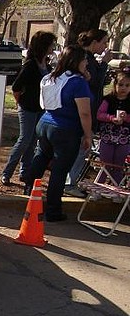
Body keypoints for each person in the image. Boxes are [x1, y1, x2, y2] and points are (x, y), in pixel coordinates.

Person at [24, 45, 93, 222]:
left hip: (45, 123)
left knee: (41, 158)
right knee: (60, 170)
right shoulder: (77, 83)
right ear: (77, 61)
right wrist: (88, 135)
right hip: (66, 129)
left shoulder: (50, 77)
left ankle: (29, 192)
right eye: (85, 59)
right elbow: (84, 113)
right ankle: (53, 211)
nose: (87, 62)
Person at [1, 31, 56, 186]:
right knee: (24, 139)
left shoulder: (48, 65)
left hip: (41, 109)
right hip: (28, 108)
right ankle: (7, 173)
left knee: (33, 141)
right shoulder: (30, 65)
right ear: (43, 45)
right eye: (51, 44)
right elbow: (16, 87)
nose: (53, 47)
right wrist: (20, 102)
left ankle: (25, 172)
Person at [65, 29, 113, 196]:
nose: (106, 46)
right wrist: (105, 63)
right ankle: (69, 183)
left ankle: (70, 181)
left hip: (89, 110)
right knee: (81, 148)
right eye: (104, 42)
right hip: (84, 111)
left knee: (80, 149)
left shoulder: (91, 60)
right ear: (94, 42)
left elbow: (98, 82)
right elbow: (94, 82)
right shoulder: (86, 59)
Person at [95, 68, 130, 184]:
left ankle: (117, 189)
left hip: (124, 139)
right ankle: (99, 188)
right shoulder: (108, 100)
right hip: (107, 137)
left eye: (127, 85)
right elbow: (99, 114)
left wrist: (126, 118)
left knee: (118, 165)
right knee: (105, 164)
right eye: (120, 85)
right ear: (115, 85)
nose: (123, 88)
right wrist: (111, 118)